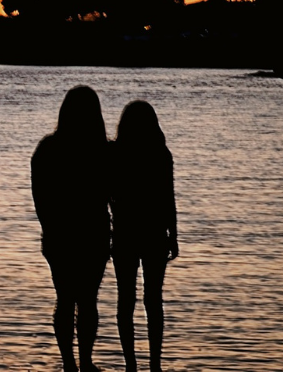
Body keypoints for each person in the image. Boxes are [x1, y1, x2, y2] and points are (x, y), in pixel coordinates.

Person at [31, 86, 112, 372]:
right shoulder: (103, 152)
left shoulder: (48, 149)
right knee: (87, 301)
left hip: (60, 237)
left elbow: (39, 197)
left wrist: (50, 228)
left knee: (65, 299)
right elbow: (115, 194)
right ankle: (85, 362)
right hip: (94, 235)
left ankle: (69, 363)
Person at [110, 101, 179, 372]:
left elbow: (107, 195)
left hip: (125, 233)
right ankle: (155, 366)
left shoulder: (115, 154)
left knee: (125, 300)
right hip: (154, 233)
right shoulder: (160, 154)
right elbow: (167, 198)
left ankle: (130, 366)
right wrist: (173, 235)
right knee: (154, 300)